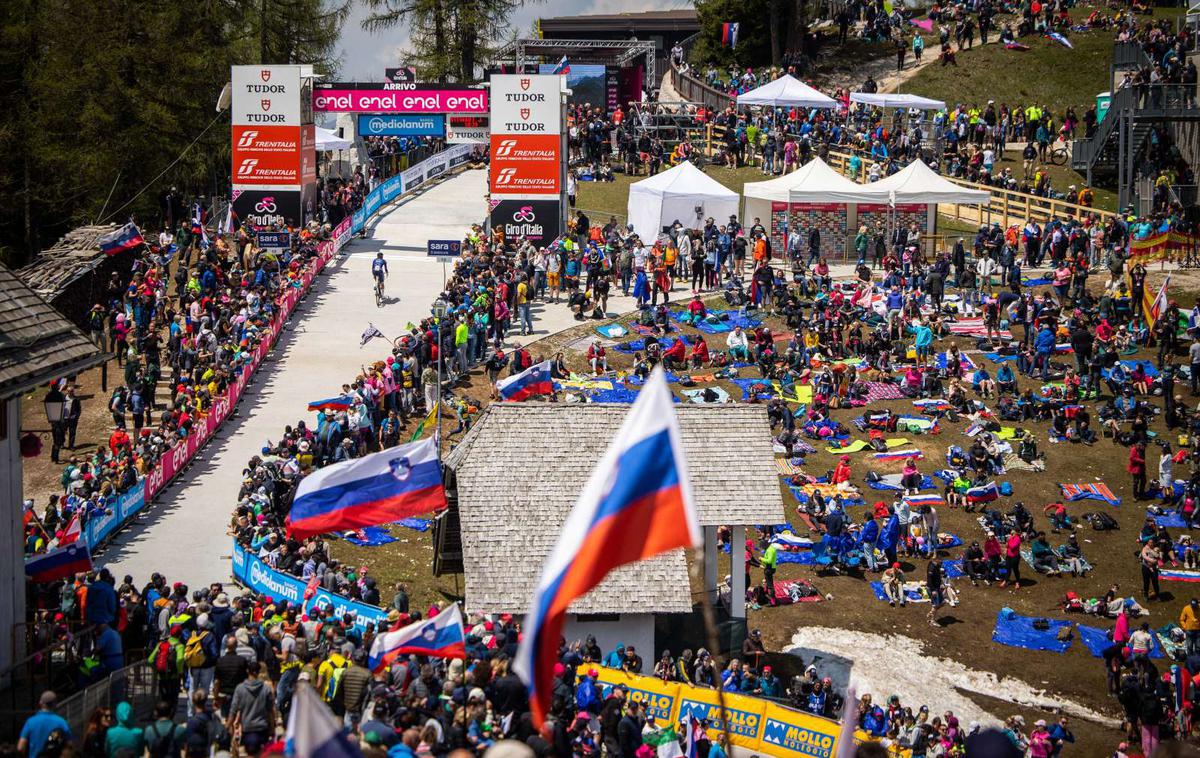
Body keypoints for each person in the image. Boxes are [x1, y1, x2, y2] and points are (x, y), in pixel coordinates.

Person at [226, 662, 275, 756]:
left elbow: (233, 710)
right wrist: (272, 728)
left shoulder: (240, 689)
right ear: (258, 672)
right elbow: (270, 711)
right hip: (262, 728)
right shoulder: (266, 689)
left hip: (247, 729)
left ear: (247, 671)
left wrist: (228, 726)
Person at [18, 691, 71, 758]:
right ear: (55, 704)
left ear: (40, 703)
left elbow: (20, 747)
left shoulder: (30, 722)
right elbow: (70, 746)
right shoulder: (62, 722)